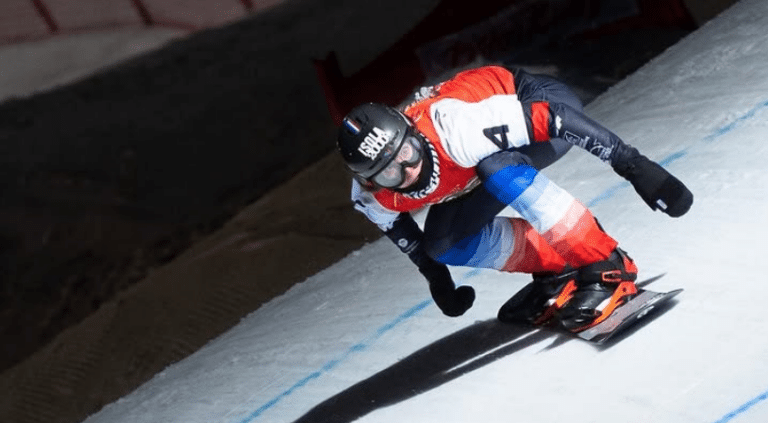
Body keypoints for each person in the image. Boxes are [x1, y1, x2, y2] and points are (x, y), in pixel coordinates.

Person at [336, 65, 692, 332]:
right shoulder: (374, 198)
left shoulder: (456, 130)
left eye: (409, 153)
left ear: (413, 133)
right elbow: (415, 244)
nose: (408, 171)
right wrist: (438, 278)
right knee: (443, 244)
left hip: (537, 102)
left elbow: (558, 119)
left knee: (497, 168)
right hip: (477, 158)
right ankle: (560, 265)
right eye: (390, 174)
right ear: (370, 183)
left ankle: (605, 264)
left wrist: (635, 166)